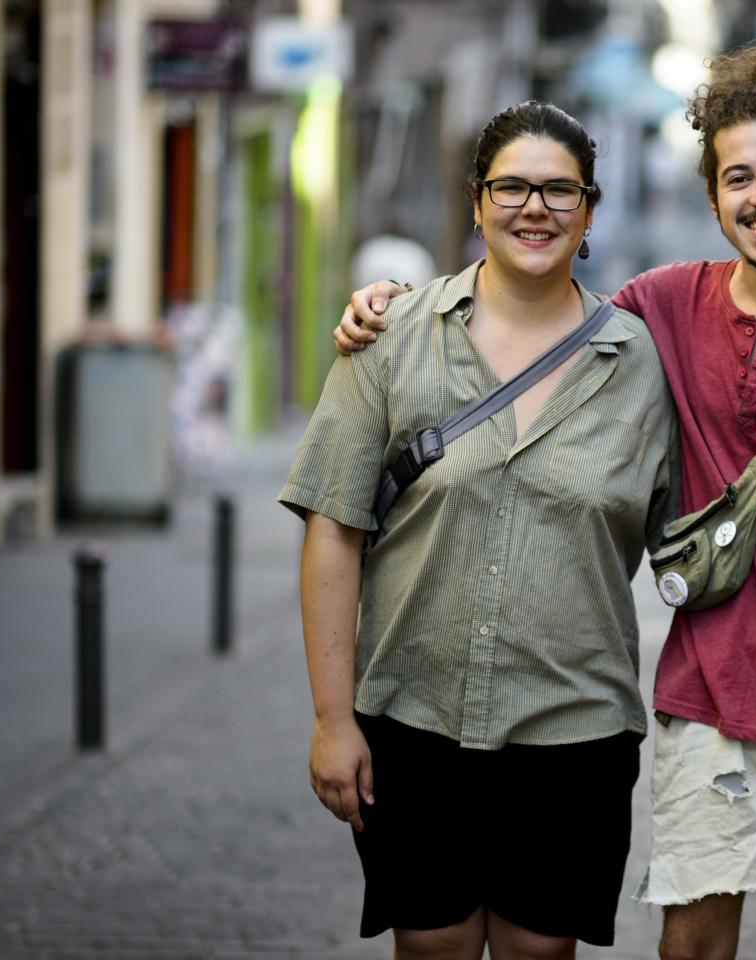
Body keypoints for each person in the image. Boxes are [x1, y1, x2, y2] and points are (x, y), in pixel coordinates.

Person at [337, 38, 756, 960]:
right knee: (692, 945)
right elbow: (532, 305)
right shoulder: (660, 309)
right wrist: (395, 300)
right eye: (739, 177)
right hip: (706, 688)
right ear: (713, 198)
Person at [280, 101, 679, 959]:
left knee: (541, 953)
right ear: (476, 202)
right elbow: (332, 529)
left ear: (591, 210)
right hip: (415, 722)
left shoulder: (642, 364)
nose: (534, 208)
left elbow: (689, 542)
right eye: (512, 187)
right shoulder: (391, 340)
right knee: (434, 947)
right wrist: (330, 719)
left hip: (574, 731)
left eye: (559, 191)